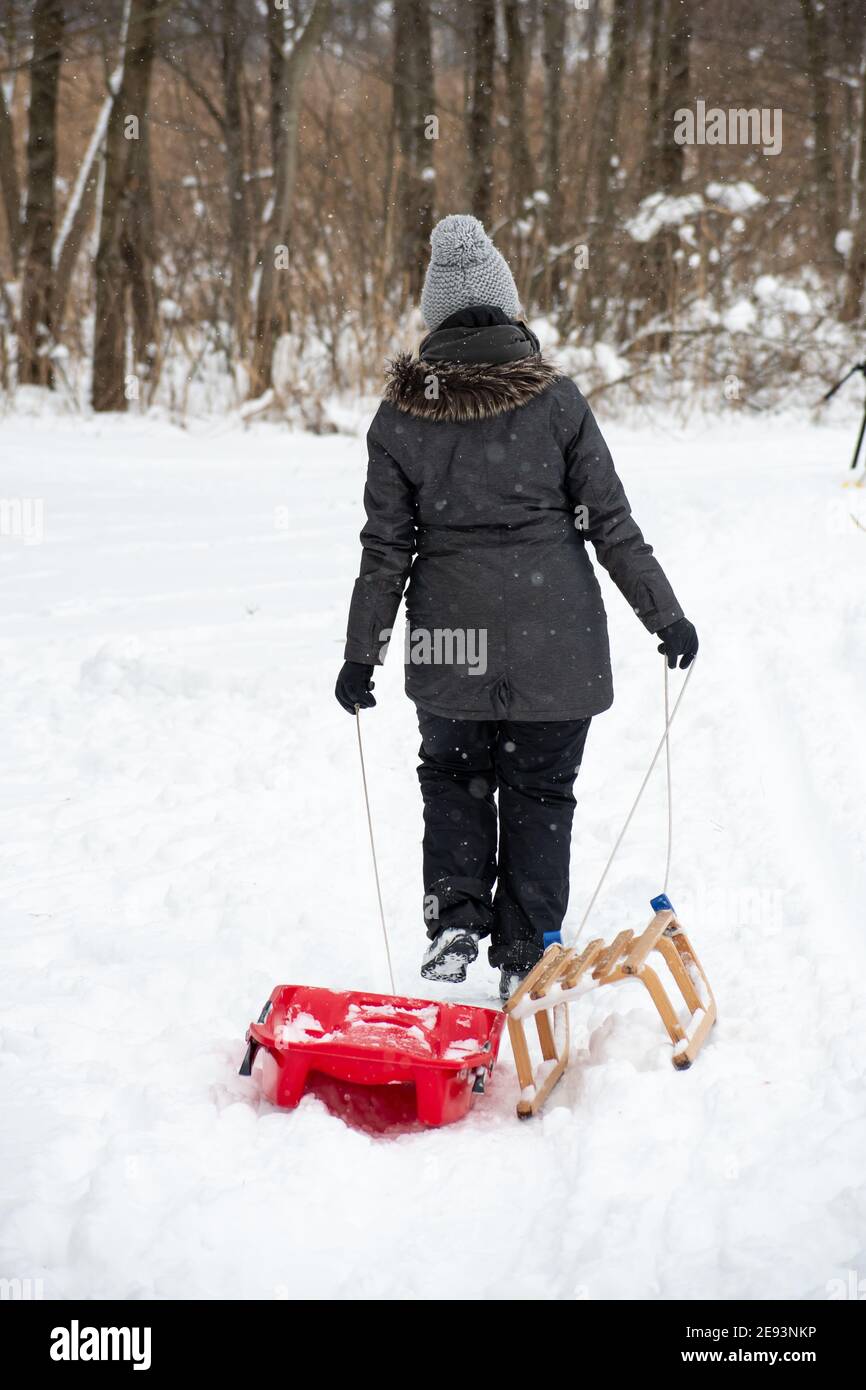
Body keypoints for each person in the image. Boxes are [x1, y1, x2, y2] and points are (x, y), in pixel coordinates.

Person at [335, 214, 697, 1002]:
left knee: (454, 777)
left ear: (435, 322)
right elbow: (612, 524)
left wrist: (362, 651)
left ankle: (456, 918)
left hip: (449, 640)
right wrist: (665, 617)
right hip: (555, 638)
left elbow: (385, 547)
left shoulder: (403, 415)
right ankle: (528, 948)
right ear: (509, 309)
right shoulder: (557, 403)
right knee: (541, 789)